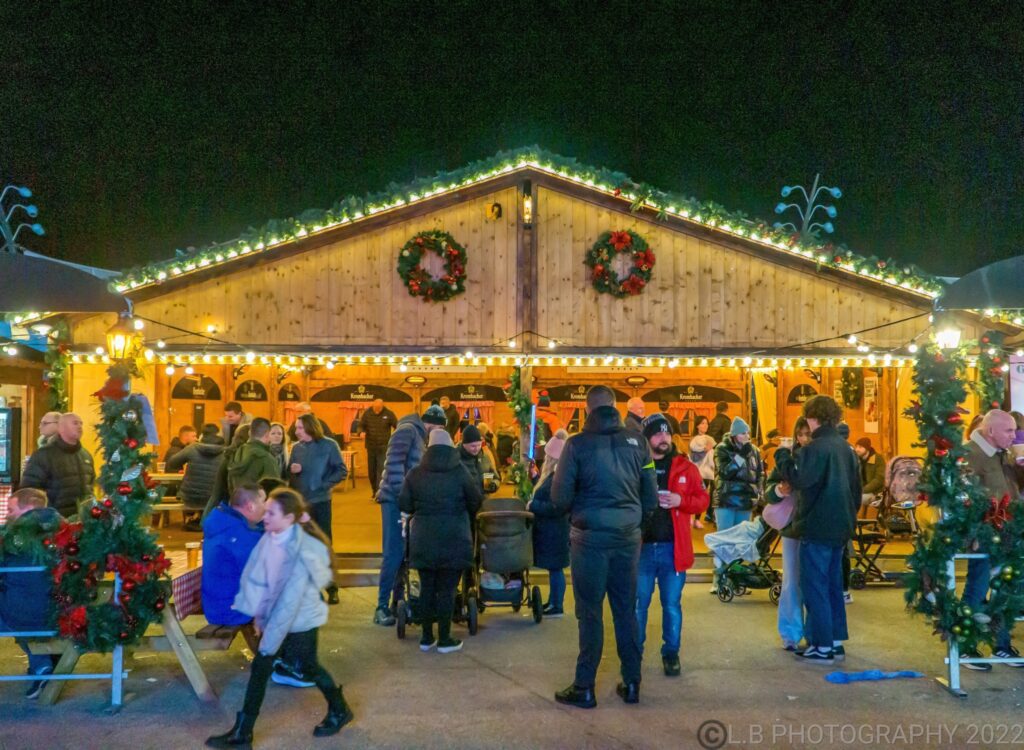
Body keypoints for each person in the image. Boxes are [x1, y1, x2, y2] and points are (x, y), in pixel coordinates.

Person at [205, 489, 352, 747]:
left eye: (272, 512)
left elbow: (287, 604)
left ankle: (339, 710)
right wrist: (260, 616)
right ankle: (243, 732)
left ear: (290, 518)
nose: (265, 516)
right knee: (270, 668)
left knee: (305, 666)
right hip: (283, 619)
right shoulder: (274, 539)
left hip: (300, 621)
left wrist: (268, 640)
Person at [551, 385, 658, 708]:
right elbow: (651, 497)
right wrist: (634, 521)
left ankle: (585, 687)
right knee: (626, 611)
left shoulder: (576, 445)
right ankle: (632, 682)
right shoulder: (637, 442)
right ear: (616, 407)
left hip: (589, 541)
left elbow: (559, 498)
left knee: (590, 614)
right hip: (627, 539)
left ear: (587, 410)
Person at [774, 395, 860, 665]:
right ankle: (834, 640)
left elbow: (801, 480)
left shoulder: (815, 448)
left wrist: (782, 458)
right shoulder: (846, 449)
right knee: (834, 584)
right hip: (841, 525)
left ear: (812, 418)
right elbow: (856, 491)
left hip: (817, 525)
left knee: (815, 586)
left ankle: (821, 646)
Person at [635, 414, 709, 677]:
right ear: (647, 438)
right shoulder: (637, 466)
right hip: (640, 550)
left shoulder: (686, 467)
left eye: (666, 433)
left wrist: (680, 500)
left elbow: (702, 500)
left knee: (671, 605)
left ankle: (671, 653)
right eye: (657, 433)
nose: (663, 437)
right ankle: (634, 654)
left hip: (672, 550)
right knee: (638, 605)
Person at [398, 429, 482, 653]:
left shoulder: (415, 474)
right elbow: (476, 501)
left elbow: (404, 504)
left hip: (424, 538)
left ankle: (426, 637)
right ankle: (445, 638)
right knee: (447, 589)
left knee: (426, 589)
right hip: (454, 537)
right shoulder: (460, 472)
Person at [373, 404, 448, 626]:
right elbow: (395, 467)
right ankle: (381, 606)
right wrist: (405, 498)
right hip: (394, 502)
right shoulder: (407, 430)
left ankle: (397, 602)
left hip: (404, 502)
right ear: (433, 423)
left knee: (404, 552)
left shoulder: (417, 433)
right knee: (394, 552)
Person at [961, 409, 1024, 670]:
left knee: (1004, 590)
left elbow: (1013, 490)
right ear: (991, 431)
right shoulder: (971, 455)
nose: (1015, 436)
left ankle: (1001, 645)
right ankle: (965, 647)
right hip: (985, 535)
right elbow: (964, 498)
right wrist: (974, 532)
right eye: (1009, 431)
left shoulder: (1004, 455)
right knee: (977, 588)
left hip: (1008, 534)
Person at [0, 488, 65, 699]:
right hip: (63, 610)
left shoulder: (16, 539)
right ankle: (42, 664)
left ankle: (42, 666)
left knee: (13, 611)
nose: (7, 515)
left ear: (28, 509)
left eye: (11, 509)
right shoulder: (64, 532)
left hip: (30, 613)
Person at [764, 417, 811, 651]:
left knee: (813, 583)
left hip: (814, 529)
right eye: (800, 434)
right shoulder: (787, 459)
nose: (804, 438)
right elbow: (768, 490)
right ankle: (790, 633)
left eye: (808, 433)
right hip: (792, 528)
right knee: (791, 581)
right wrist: (778, 491)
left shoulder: (819, 457)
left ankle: (815, 634)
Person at [289, 413, 347, 604]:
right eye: (296, 428)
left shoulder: (329, 445)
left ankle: (332, 587)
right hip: (301, 503)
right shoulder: (296, 449)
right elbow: (290, 474)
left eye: (299, 428)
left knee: (324, 544)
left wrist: (324, 484)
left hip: (321, 501)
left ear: (309, 427)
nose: (296, 431)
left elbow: (341, 470)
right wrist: (292, 471)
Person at [202, 484, 267, 628]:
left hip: (222, 603)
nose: (266, 507)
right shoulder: (236, 534)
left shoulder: (225, 524)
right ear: (250, 506)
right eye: (263, 501)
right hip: (231, 609)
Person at [710, 417, 763, 591]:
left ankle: (739, 579)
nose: (747, 436)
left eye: (748, 432)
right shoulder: (722, 448)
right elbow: (725, 472)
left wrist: (759, 491)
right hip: (726, 499)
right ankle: (719, 580)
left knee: (742, 540)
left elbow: (759, 473)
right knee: (724, 539)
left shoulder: (754, 450)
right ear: (734, 435)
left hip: (745, 501)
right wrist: (741, 455)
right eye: (742, 433)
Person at [20, 412, 95, 518]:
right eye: (75, 423)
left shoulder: (86, 455)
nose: (80, 427)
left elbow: (90, 486)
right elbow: (29, 491)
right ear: (61, 428)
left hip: (83, 522)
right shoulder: (43, 455)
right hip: (54, 523)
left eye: (81, 423)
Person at [528, 429, 570, 616]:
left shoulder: (556, 478)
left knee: (556, 569)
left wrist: (533, 505)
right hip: (553, 530)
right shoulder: (554, 476)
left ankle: (557, 606)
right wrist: (535, 477)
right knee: (555, 569)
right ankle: (553, 602)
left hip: (554, 530)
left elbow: (555, 506)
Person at [166, 424, 228, 531]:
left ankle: (197, 520)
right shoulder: (225, 452)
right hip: (214, 498)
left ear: (202, 436)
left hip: (190, 497)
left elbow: (172, 463)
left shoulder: (192, 448)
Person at [227, 418, 281, 493]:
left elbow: (230, 482)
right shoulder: (266, 458)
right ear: (267, 434)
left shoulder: (238, 451)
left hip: (237, 501)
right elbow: (275, 492)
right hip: (257, 503)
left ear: (250, 433)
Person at [359, 398, 397, 496]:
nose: (377, 411)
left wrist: (397, 436)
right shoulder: (367, 413)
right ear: (372, 406)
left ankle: (380, 492)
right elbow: (361, 425)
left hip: (383, 446)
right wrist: (361, 432)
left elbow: (397, 425)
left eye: (379, 409)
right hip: (371, 446)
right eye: (375, 408)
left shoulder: (389, 414)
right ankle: (374, 490)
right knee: (371, 471)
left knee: (381, 469)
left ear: (382, 406)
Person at [457, 424, 497, 493]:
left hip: (483, 500)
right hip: (464, 502)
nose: (476, 449)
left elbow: (495, 477)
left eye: (479, 445)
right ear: (464, 444)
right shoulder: (456, 459)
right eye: (473, 446)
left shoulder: (485, 457)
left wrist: (494, 484)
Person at [688, 434, 716, 529]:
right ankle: (697, 519)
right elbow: (712, 464)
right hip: (705, 476)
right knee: (700, 497)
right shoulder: (710, 452)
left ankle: (689, 517)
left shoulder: (692, 452)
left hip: (694, 475)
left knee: (691, 496)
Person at [854, 437, 886, 519]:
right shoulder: (857, 460)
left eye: (860, 447)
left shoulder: (877, 459)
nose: (857, 449)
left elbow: (879, 480)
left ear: (867, 448)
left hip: (876, 492)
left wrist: (862, 490)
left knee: (856, 499)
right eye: (856, 446)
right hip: (863, 491)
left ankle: (859, 521)